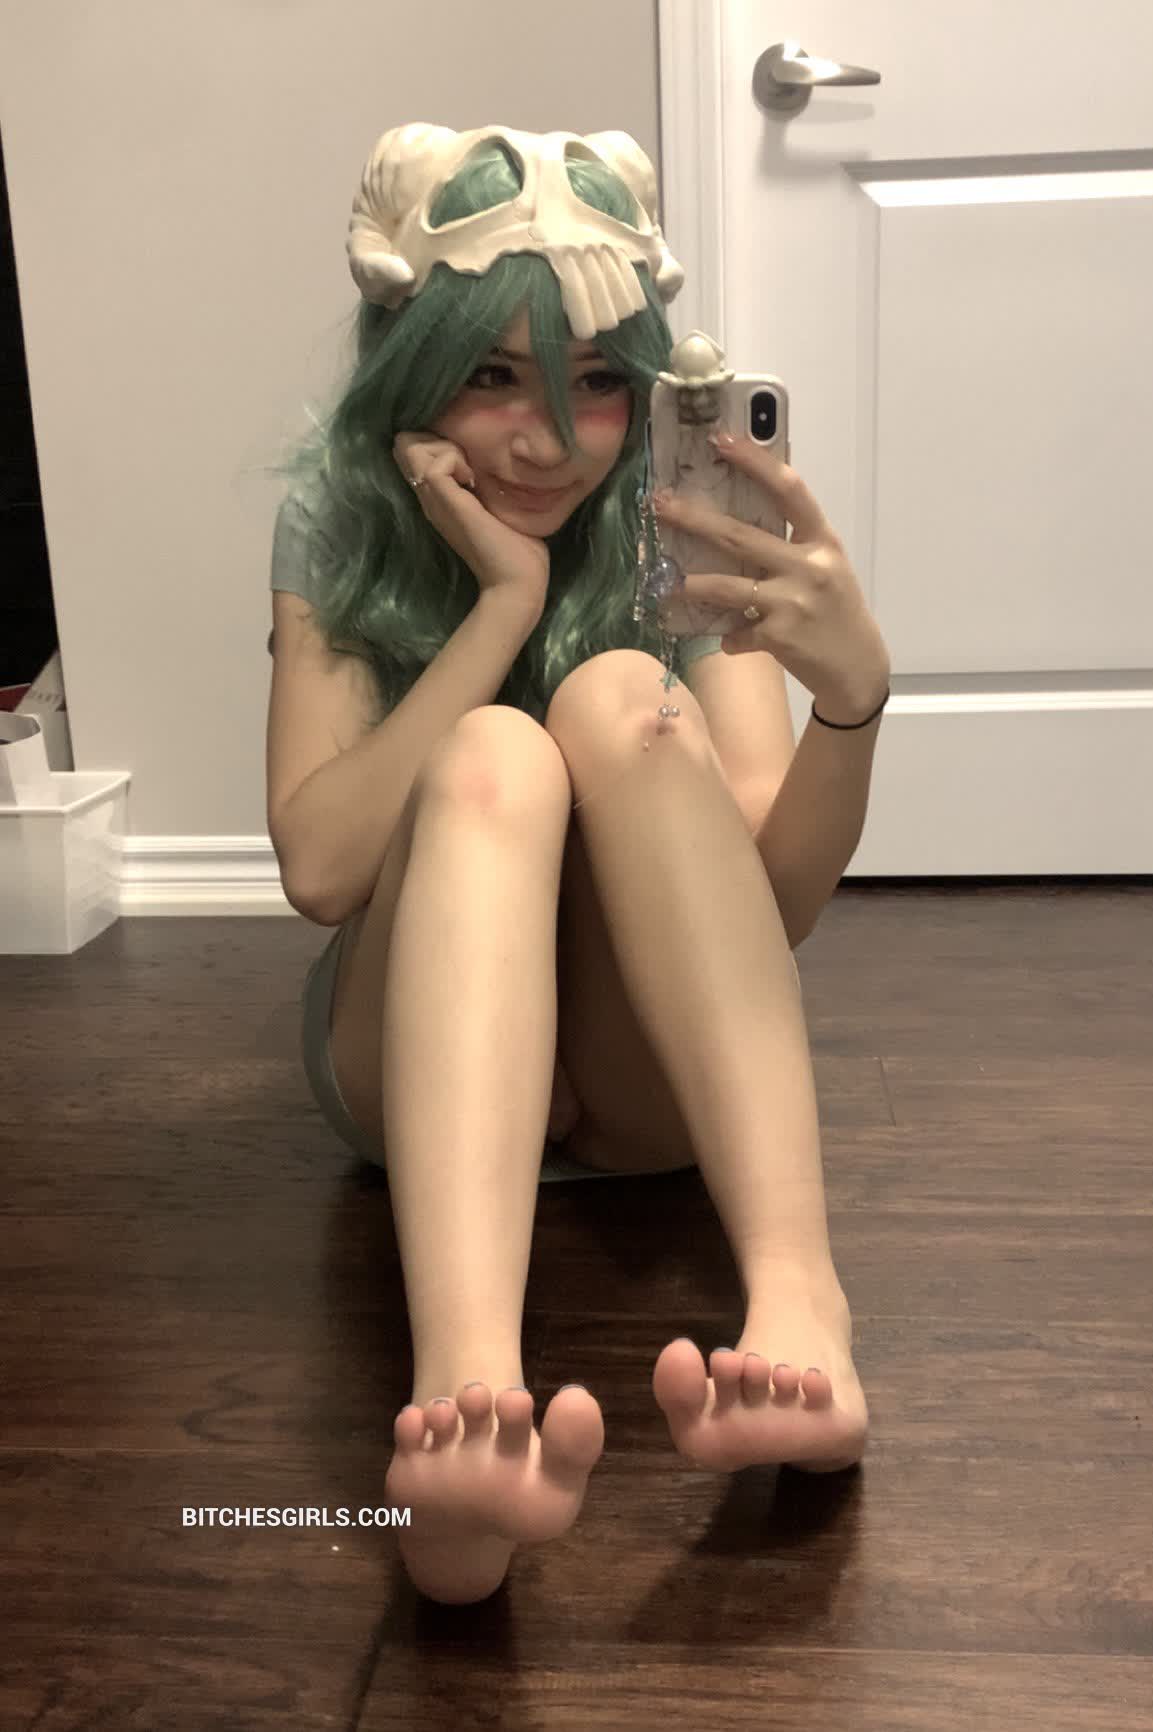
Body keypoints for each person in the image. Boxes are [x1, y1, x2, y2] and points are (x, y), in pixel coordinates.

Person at [264, 124, 891, 1606]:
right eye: (491, 377)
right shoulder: (343, 513)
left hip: (641, 1074)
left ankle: (802, 1299)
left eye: (597, 383)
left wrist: (852, 702)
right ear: (409, 372)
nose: (547, 440)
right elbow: (324, 869)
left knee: (620, 699)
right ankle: (463, 1407)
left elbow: (767, 906)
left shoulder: (683, 519)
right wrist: (505, 604)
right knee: (495, 748)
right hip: (412, 1061)